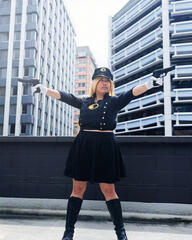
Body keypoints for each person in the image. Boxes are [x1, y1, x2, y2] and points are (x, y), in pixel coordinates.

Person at [32, 67, 163, 240]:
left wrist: (149, 84)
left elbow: (132, 93)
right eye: (101, 80)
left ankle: (121, 232)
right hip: (84, 145)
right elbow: (64, 96)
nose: (105, 83)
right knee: (77, 189)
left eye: (107, 80)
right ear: (95, 83)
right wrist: (44, 89)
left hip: (106, 146)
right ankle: (68, 232)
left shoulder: (115, 101)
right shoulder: (84, 101)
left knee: (109, 190)